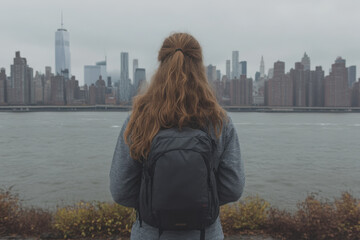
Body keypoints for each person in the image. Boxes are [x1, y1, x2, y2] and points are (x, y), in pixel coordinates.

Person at [110, 32, 244, 240]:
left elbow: (121, 190)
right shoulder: (219, 121)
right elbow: (233, 189)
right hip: (204, 234)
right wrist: (200, 200)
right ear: (200, 67)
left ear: (161, 65)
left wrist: (154, 201)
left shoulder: (138, 120)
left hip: (150, 234)